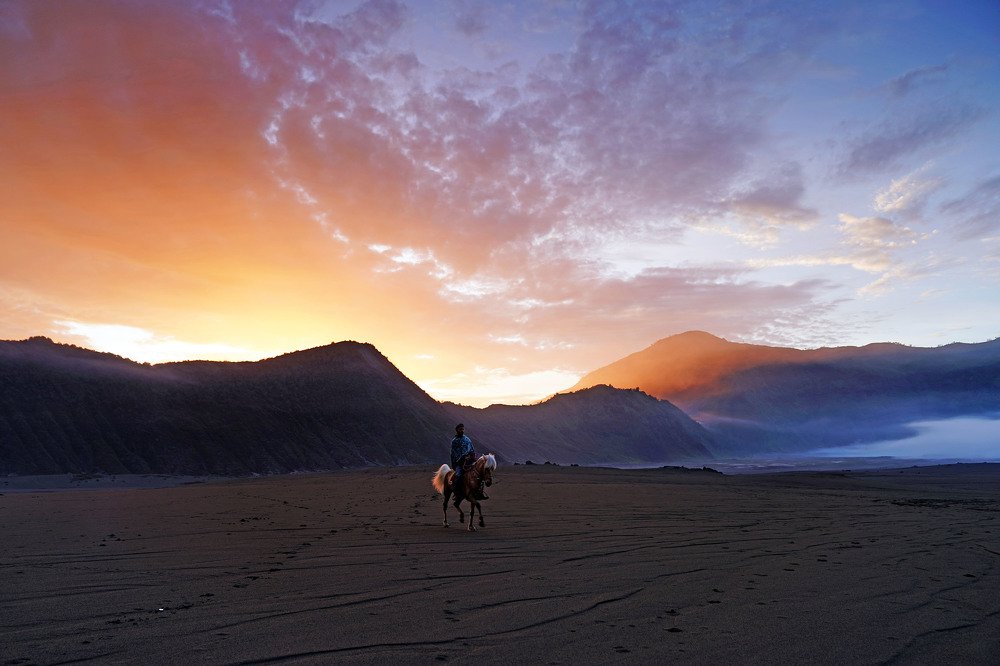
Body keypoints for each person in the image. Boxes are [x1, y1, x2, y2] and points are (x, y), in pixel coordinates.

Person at [451, 423, 488, 499]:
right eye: (460, 429)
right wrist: (461, 459)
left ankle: (480, 493)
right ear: (457, 430)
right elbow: (454, 453)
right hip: (460, 463)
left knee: (480, 473)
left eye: (463, 429)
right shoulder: (454, 441)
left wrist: (472, 457)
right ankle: (457, 493)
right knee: (458, 476)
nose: (462, 430)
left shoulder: (467, 439)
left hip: (470, 461)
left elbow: (472, 449)